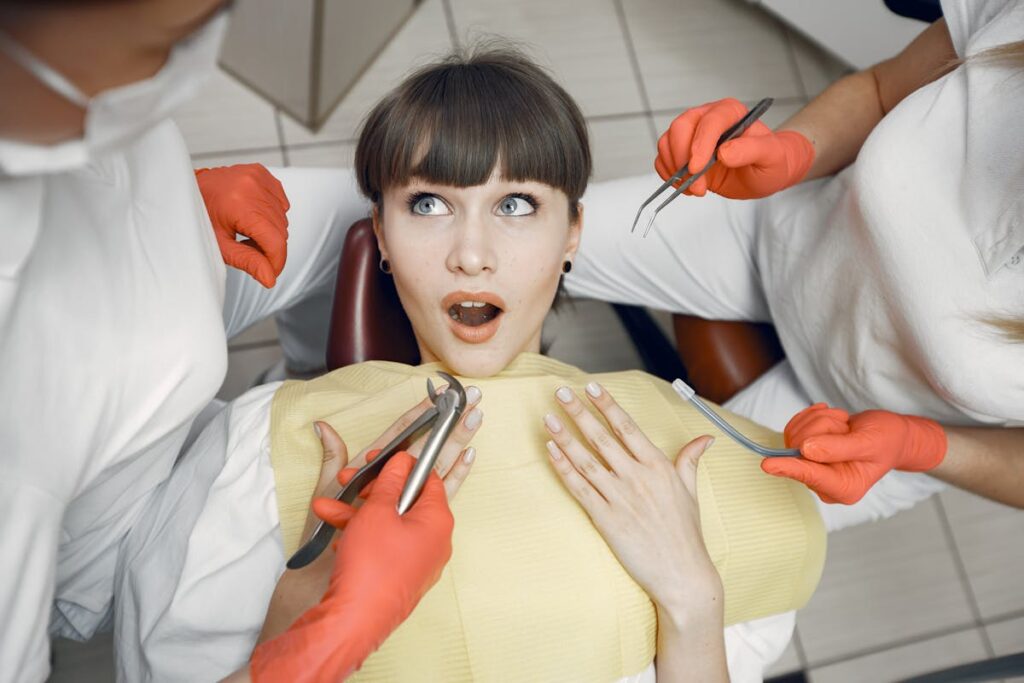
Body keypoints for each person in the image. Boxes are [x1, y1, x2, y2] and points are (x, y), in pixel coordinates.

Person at [113, 46, 826, 683]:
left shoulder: (685, 463)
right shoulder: (267, 455)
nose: (472, 253)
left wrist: (692, 598)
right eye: (429, 204)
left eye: (516, 203)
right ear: (381, 235)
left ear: (574, 231)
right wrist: (307, 617)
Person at [0, 1, 454, 680]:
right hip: (115, 511)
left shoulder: (51, 90)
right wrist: (321, 639)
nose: (205, 48)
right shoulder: (15, 472)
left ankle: (299, 370)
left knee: (357, 214)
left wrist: (146, 197)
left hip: (151, 293)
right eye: (169, 41)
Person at [567, 0, 1024, 521]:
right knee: (516, 239)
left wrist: (918, 445)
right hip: (777, 234)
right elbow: (879, 91)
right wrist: (792, 153)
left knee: (660, 553)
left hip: (862, 431)